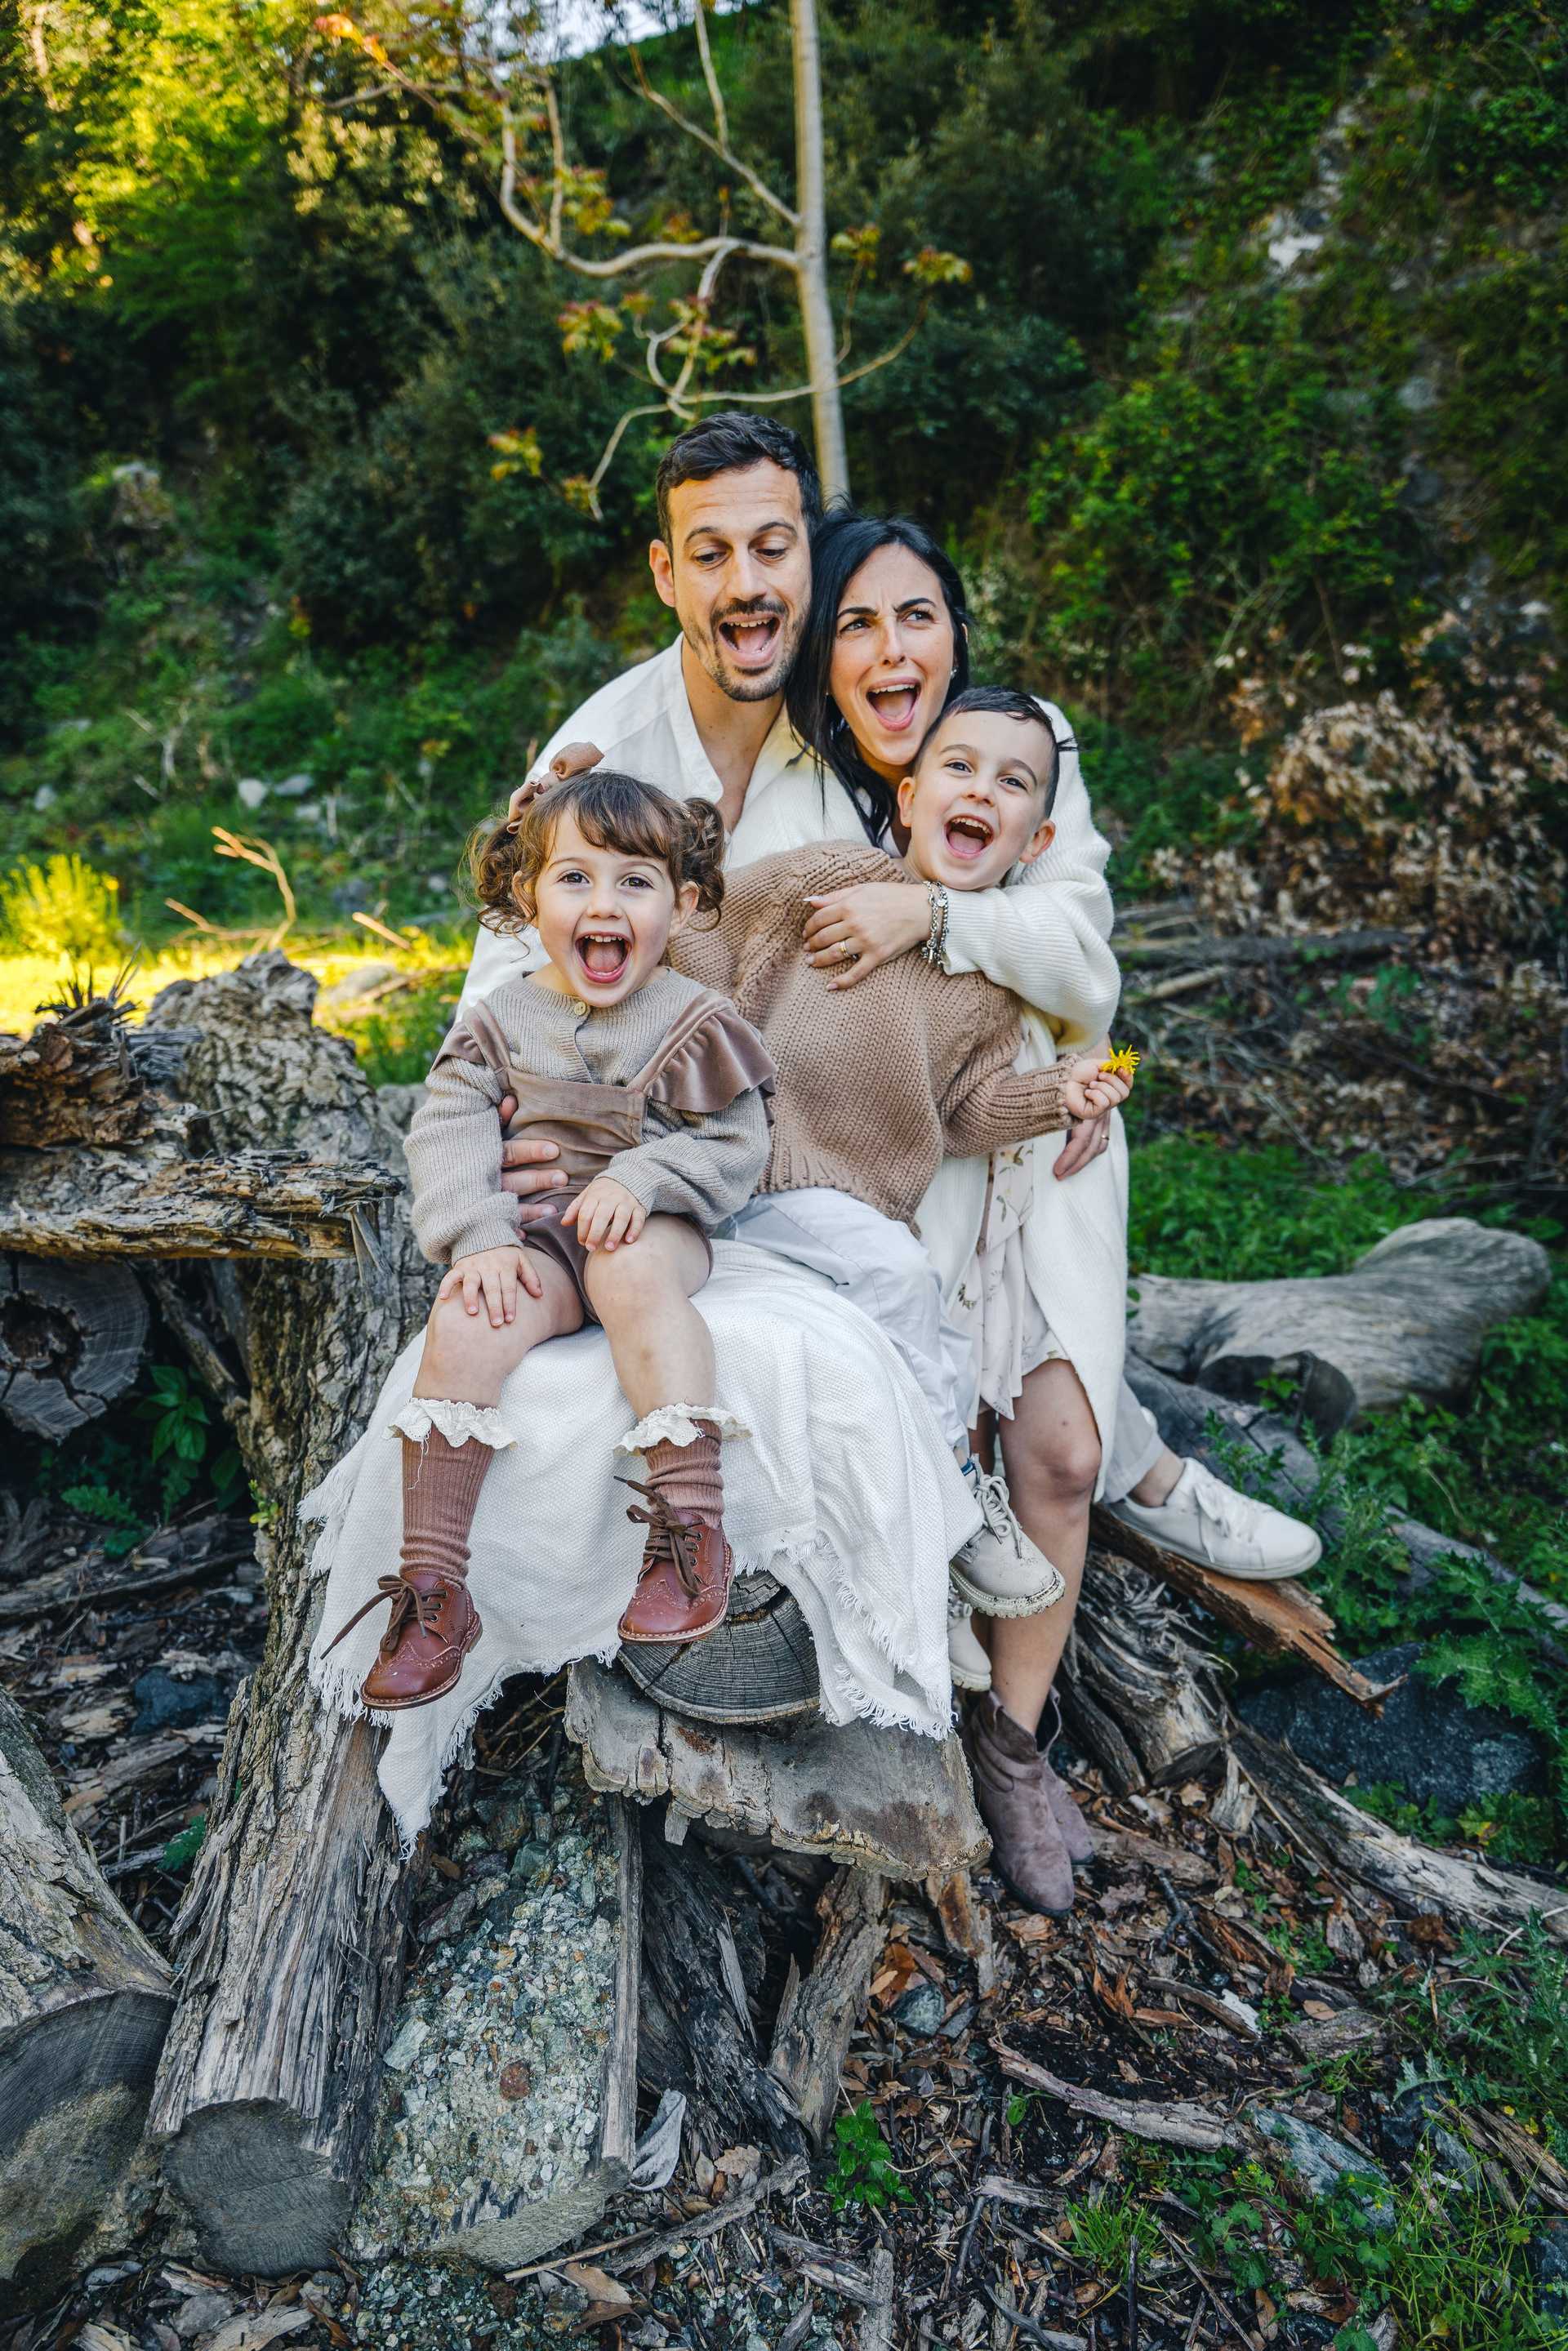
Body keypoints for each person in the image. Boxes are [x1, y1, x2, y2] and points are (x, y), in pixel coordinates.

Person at [674, 685, 1137, 1646]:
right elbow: (705, 932)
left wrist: (1061, 1094)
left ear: (1036, 841)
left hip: (846, 1203)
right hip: (753, 1157)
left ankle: (912, 1563)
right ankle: (957, 1506)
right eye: (959, 768)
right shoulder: (830, 874)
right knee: (898, 1279)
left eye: (1012, 783)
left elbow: (964, 1114)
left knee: (931, 1338)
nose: (981, 791)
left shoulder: (992, 992)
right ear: (912, 798)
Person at [328, 769, 774, 1712]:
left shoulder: (693, 1018)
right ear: (527, 895)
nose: (603, 905)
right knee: (466, 1317)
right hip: (543, 1237)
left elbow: (738, 1145)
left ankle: (690, 1532)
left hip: (657, 1228)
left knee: (629, 1267)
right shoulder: (500, 1020)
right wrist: (482, 1235)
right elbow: (448, 1129)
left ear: (683, 904)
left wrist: (642, 1179)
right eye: (575, 878)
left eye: (635, 882)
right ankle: (435, 1590)